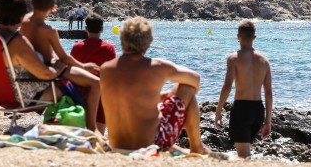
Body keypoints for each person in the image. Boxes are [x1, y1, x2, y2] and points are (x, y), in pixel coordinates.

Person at [100, 17, 210, 154]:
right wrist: (183, 107)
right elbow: (195, 79)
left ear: (122, 39)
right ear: (149, 41)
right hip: (152, 143)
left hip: (117, 144)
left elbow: (130, 97)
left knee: (156, 107)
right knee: (186, 88)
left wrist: (155, 97)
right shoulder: (157, 66)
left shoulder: (106, 69)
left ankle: (179, 148)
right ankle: (197, 146)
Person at [20, 0, 102, 133]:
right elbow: (64, 57)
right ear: (53, 8)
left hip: (30, 74)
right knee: (96, 83)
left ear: (31, 3)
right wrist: (84, 66)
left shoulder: (23, 22)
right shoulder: (49, 30)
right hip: (48, 73)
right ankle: (92, 128)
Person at [0, 0, 60, 106]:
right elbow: (46, 75)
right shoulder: (17, 42)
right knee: (68, 87)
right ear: (21, 15)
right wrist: (58, 69)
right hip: (19, 98)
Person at [214, 20, 273, 158]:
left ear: (238, 37)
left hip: (242, 109)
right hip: (258, 110)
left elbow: (227, 86)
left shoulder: (233, 58)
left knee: (243, 157)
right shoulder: (264, 61)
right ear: (254, 37)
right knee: (246, 154)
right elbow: (268, 92)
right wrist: (268, 121)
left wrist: (218, 112)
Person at [70, 14, 117, 133]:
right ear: (101, 29)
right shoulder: (109, 48)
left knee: (81, 130)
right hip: (101, 93)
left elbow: (71, 68)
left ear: (86, 29)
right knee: (99, 132)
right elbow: (111, 73)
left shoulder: (77, 47)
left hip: (79, 92)